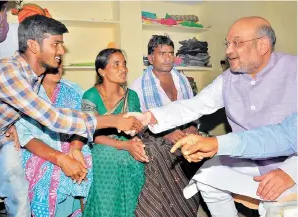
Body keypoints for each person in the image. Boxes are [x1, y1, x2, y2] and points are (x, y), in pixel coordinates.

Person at [0, 15, 142, 217]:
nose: (61, 51)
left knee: (19, 199)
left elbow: (1, 105)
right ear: (33, 45)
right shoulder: (10, 72)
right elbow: (53, 118)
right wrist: (113, 120)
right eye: (56, 44)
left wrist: (9, 124)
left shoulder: (33, 76)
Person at [126, 16, 297, 216]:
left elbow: (284, 135)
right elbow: (195, 105)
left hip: (291, 160)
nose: (228, 51)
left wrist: (290, 172)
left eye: (237, 43)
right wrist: (149, 117)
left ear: (263, 45)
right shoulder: (229, 79)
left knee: (277, 207)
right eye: (228, 43)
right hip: (251, 159)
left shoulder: (293, 71)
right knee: (206, 176)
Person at [130, 35, 200, 217]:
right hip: (155, 136)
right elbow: (137, 123)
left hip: (186, 133)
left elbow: (193, 107)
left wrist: (193, 127)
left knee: (207, 149)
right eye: (162, 54)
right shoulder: (138, 85)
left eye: (170, 53)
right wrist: (165, 133)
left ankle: (189, 209)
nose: (168, 58)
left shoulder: (182, 80)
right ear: (151, 58)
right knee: (160, 154)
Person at [15, 65, 93, 217]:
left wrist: (75, 147)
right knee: (49, 173)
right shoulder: (26, 94)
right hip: (39, 150)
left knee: (87, 163)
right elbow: (25, 136)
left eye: (60, 62)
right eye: (52, 64)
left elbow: (86, 122)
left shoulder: (74, 90)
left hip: (73, 145)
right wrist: (61, 159)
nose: (57, 67)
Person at [81, 48, 148, 217]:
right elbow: (91, 133)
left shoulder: (131, 96)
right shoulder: (90, 95)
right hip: (101, 145)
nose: (123, 69)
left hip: (128, 144)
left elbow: (137, 128)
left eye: (124, 64)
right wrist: (123, 145)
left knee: (140, 156)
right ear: (101, 71)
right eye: (116, 64)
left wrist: (136, 138)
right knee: (111, 157)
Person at [171, 113, 297, 201]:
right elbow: (283, 135)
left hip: (283, 166)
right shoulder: (227, 81)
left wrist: (291, 170)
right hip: (262, 158)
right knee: (207, 176)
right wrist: (216, 144)